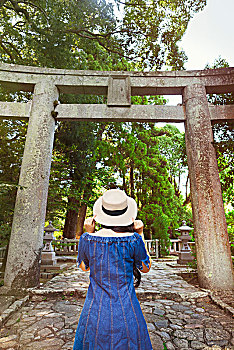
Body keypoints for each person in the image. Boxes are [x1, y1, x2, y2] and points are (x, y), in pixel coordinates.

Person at [73, 189, 153, 350]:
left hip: (96, 309)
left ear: (101, 214)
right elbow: (145, 268)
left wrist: (89, 232)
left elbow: (84, 267)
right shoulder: (133, 240)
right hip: (127, 310)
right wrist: (141, 233)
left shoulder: (87, 239)